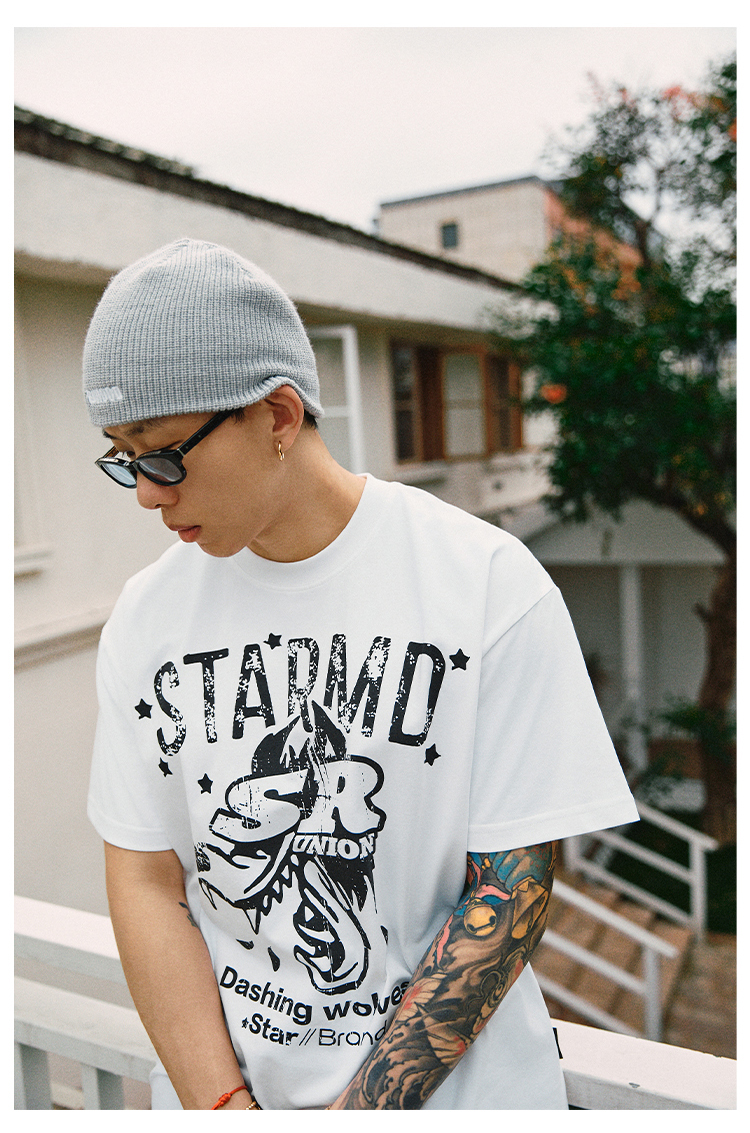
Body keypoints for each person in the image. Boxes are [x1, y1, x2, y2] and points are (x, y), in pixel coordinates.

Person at [83, 238, 638, 1111]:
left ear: (278, 415)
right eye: (123, 458)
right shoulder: (147, 617)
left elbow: (512, 889)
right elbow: (147, 879)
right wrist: (223, 1105)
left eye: (162, 455)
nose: (149, 493)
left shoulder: (485, 584)